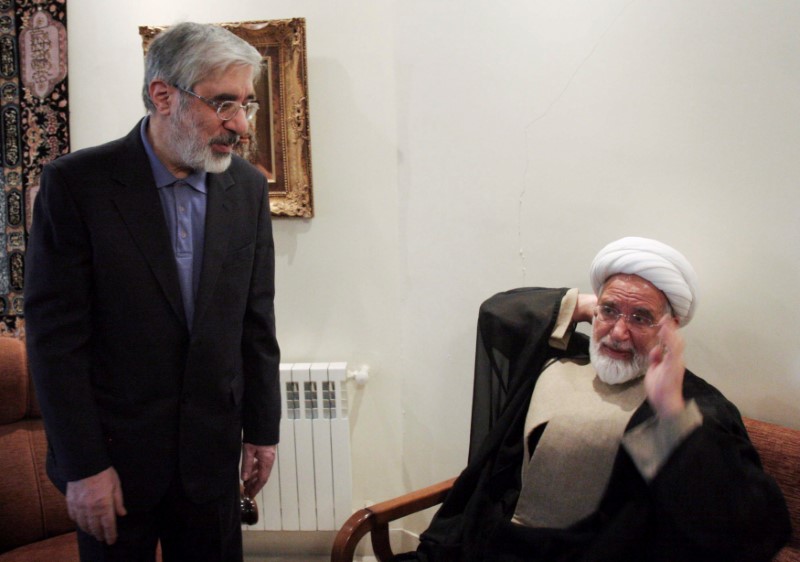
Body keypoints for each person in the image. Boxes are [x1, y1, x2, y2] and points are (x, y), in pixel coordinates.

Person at [24, 22, 280, 561]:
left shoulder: (247, 188)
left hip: (210, 456)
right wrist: (84, 466)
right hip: (113, 462)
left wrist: (263, 429)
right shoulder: (77, 185)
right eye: (224, 103)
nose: (240, 125)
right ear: (164, 95)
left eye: (247, 105)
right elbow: (55, 342)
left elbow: (255, 321)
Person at [406, 237, 790, 562]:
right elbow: (498, 313)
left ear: (669, 328)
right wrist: (591, 306)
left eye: (641, 317)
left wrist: (669, 410)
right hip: (498, 544)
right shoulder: (559, 362)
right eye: (610, 311)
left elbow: (746, 524)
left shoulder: (691, 405)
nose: (619, 332)